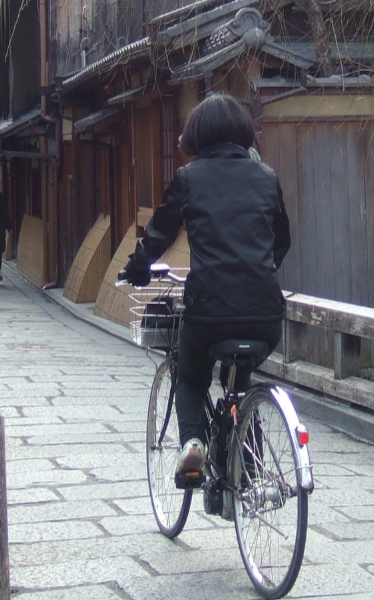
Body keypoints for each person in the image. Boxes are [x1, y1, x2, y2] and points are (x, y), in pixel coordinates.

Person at [122, 93, 291, 505]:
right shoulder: (267, 177)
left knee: (192, 377)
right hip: (266, 313)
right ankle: (244, 473)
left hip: (210, 308)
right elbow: (281, 242)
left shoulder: (190, 178)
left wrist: (139, 267)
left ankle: (193, 443)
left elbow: (160, 232)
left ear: (198, 135)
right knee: (241, 384)